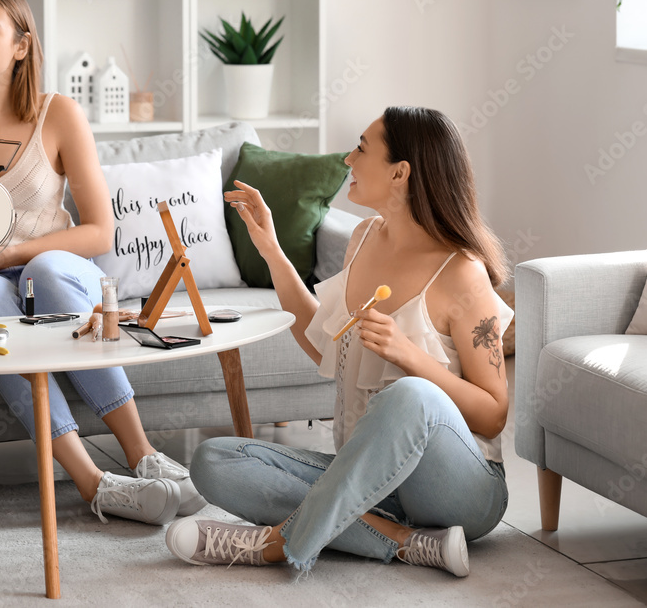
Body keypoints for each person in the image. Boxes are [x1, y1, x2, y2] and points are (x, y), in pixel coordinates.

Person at [165, 106, 514, 577]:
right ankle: (402, 543)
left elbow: (493, 416)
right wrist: (271, 249)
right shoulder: (364, 238)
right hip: (372, 482)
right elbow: (325, 345)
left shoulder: (463, 273)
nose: (349, 159)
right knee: (214, 460)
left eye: (362, 148)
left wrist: (409, 355)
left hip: (460, 491)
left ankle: (277, 544)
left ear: (400, 173)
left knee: (410, 395)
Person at [0, 0, 203, 526]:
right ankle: (97, 483)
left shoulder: (56, 113)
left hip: (56, 268)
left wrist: (15, 251)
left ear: (21, 45)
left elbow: (99, 232)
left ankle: (144, 455)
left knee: (42, 271)